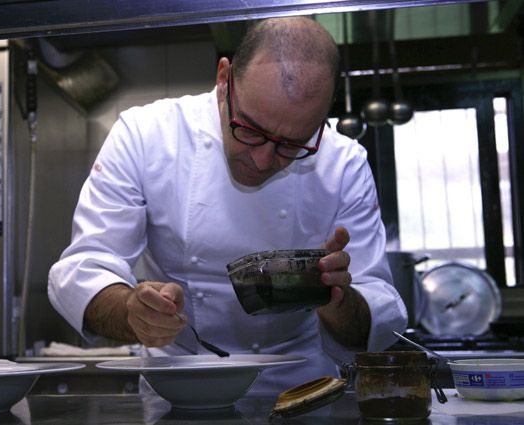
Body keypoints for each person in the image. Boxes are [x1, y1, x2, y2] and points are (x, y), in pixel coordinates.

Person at [48, 16, 407, 395]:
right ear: (224, 80)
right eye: (249, 130)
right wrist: (133, 311)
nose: (263, 161)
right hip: (179, 386)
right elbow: (86, 267)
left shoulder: (344, 164)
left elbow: (375, 313)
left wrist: (336, 298)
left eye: (292, 144)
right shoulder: (147, 135)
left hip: (302, 389)